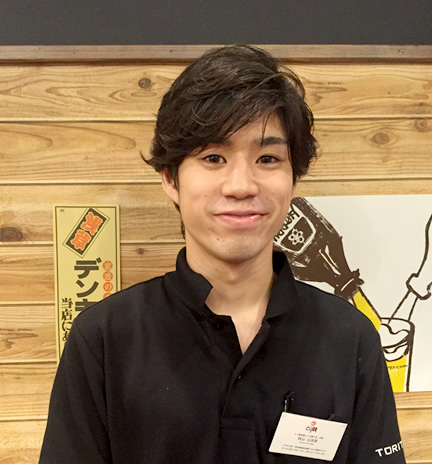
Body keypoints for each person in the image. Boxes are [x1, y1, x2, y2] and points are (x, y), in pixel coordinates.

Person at [39, 45, 406, 463]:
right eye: (214, 157)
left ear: (293, 181)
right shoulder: (105, 339)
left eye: (268, 158)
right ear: (170, 178)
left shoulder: (349, 337)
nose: (241, 185)